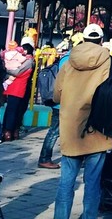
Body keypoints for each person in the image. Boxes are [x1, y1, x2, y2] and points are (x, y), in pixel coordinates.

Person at [52, 23, 112, 219]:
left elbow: (56, 96)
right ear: (101, 40)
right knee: (93, 183)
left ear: (83, 39)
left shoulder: (68, 63)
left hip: (72, 130)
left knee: (65, 183)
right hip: (100, 129)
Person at [38, 34, 84, 170]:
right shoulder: (69, 59)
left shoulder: (70, 58)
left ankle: (74, 156)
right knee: (55, 131)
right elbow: (66, 81)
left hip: (68, 100)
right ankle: (44, 158)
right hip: (63, 101)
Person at [1, 42, 34, 141]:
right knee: (17, 110)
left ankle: (8, 131)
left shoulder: (28, 61)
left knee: (12, 110)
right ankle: (14, 131)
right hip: (20, 88)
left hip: (17, 88)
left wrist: (6, 70)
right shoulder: (28, 61)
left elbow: (17, 72)